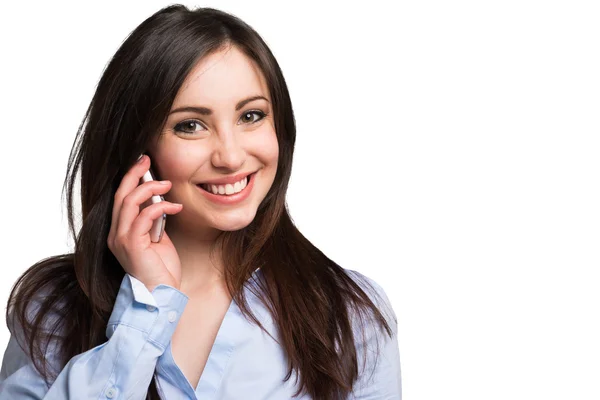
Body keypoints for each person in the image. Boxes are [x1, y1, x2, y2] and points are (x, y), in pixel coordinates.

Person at [0, 4, 401, 399]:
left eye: (251, 116)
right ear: (136, 148)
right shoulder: (52, 310)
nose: (229, 156)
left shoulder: (350, 314)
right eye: (190, 125)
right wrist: (146, 306)